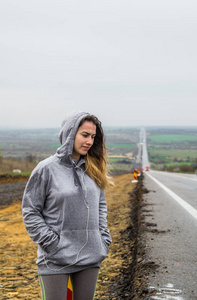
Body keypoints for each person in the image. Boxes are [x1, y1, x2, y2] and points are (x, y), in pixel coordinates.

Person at [22, 111, 113, 300]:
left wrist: (103, 239)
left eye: (93, 137)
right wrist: (51, 244)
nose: (89, 141)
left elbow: (100, 205)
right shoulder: (46, 169)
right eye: (85, 135)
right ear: (70, 133)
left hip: (90, 256)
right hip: (56, 258)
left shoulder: (94, 169)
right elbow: (30, 211)